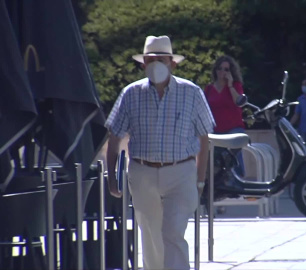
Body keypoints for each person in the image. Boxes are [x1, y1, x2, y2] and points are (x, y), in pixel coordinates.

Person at [105, 35, 215, 270]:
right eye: (150, 60)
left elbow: (204, 138)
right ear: (143, 63)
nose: (156, 65)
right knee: (151, 236)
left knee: (173, 233)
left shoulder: (191, 93)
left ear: (172, 63)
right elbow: (114, 136)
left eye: (161, 60)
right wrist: (112, 178)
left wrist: (200, 179)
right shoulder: (130, 94)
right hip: (143, 172)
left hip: (181, 172)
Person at [204, 55, 246, 176]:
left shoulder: (235, 85)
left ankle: (239, 180)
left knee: (235, 156)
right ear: (215, 70)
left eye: (226, 69)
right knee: (214, 159)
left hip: (233, 128)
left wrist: (230, 85)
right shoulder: (209, 89)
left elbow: (238, 102)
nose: (222, 72)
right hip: (215, 129)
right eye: (220, 68)